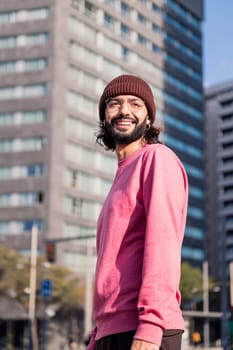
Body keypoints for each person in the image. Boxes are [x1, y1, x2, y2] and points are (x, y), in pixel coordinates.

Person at [87, 74, 188, 350]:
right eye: (114, 103)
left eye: (135, 103)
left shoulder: (157, 159)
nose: (124, 110)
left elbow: (162, 245)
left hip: (144, 329)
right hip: (111, 331)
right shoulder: (119, 178)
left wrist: (151, 325)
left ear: (148, 119)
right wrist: (97, 335)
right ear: (105, 116)